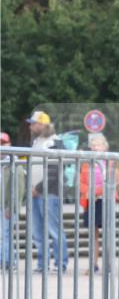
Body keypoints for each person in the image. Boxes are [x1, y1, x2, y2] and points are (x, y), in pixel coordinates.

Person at [27, 111, 68, 273]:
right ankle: (42, 264)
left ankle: (60, 264)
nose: (30, 126)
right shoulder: (37, 141)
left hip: (49, 193)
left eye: (33, 123)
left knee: (54, 229)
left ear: (42, 124)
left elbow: (54, 170)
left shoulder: (54, 141)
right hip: (35, 193)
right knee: (38, 232)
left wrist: (37, 188)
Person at [79, 134, 119, 275]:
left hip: (104, 200)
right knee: (93, 234)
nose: (96, 147)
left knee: (107, 234)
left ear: (105, 146)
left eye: (99, 144)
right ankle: (93, 264)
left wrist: (95, 191)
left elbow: (112, 181)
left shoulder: (110, 162)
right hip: (91, 201)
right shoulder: (86, 163)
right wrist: (88, 192)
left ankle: (108, 264)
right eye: (93, 145)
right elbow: (81, 182)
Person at [1, 131, 24, 271]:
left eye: (3, 143)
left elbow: (18, 189)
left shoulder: (15, 165)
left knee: (6, 234)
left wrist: (12, 207)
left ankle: (10, 261)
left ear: (9, 144)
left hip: (7, 206)